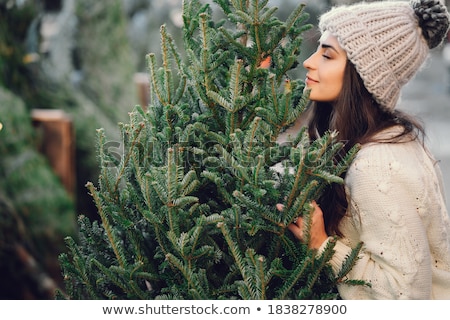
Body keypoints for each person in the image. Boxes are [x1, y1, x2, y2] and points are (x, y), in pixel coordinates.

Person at [286, 0, 450, 299]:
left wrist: (322, 246)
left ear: (362, 74)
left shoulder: (377, 165)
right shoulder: (388, 138)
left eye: (327, 55)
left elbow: (407, 296)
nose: (310, 61)